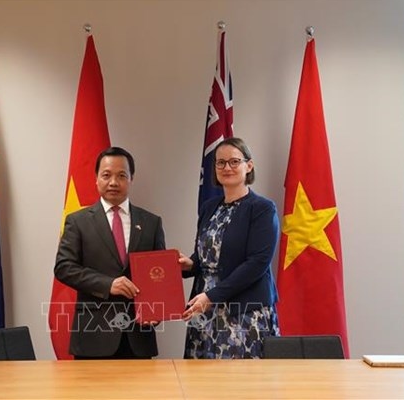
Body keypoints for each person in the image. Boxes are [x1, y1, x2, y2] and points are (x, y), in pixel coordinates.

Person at [54, 146, 166, 359]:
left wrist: (157, 310)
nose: (113, 182)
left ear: (131, 179)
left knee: (140, 394)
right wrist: (108, 284)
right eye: (106, 175)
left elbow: (157, 275)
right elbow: (64, 268)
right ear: (96, 179)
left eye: (122, 175)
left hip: (138, 338)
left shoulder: (151, 223)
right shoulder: (78, 222)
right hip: (93, 336)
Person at [179, 137, 280, 359]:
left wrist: (212, 296)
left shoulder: (263, 209)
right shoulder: (209, 208)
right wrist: (191, 264)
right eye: (220, 163)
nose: (227, 167)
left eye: (234, 161)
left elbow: (257, 263)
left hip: (243, 311)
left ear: (249, 166)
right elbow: (210, 255)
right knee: (202, 384)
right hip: (204, 309)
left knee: (241, 387)